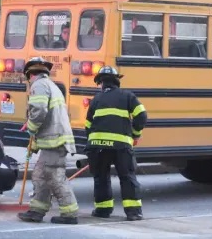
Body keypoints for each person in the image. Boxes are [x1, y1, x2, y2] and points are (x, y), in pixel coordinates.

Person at [17, 56, 79, 225]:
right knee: (41, 175)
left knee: (54, 176)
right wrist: (35, 144)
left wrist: (30, 126)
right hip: (54, 140)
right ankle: (37, 211)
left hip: (55, 141)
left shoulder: (39, 85)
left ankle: (69, 214)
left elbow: (39, 111)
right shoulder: (51, 85)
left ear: (30, 75)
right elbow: (47, 118)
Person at [85, 65, 147, 221]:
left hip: (98, 146)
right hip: (121, 146)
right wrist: (136, 134)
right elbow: (142, 115)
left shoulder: (96, 100)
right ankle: (133, 212)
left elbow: (87, 126)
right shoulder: (127, 96)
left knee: (101, 177)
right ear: (116, 81)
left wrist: (94, 142)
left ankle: (103, 210)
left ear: (101, 83)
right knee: (127, 177)